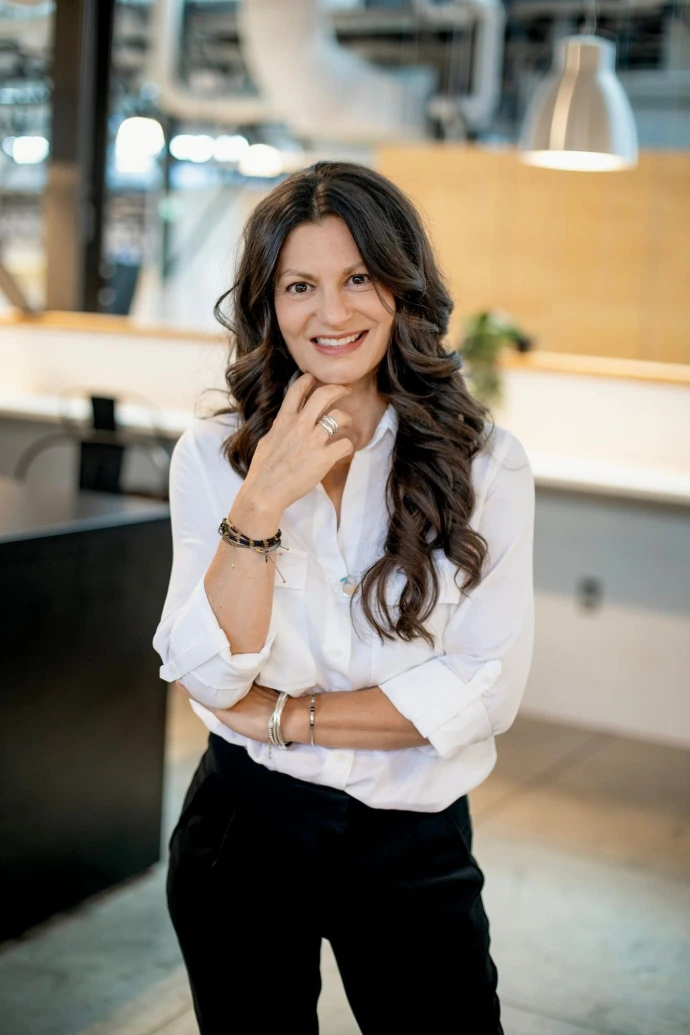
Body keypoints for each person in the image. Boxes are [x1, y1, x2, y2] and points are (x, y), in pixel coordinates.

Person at [153, 160, 534, 1035]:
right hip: (242, 826)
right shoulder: (211, 455)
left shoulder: (486, 464)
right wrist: (259, 503)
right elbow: (210, 675)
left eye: (358, 277)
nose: (332, 313)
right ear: (268, 303)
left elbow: (484, 688)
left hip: (412, 839)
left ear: (401, 286)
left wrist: (285, 716)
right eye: (301, 285)